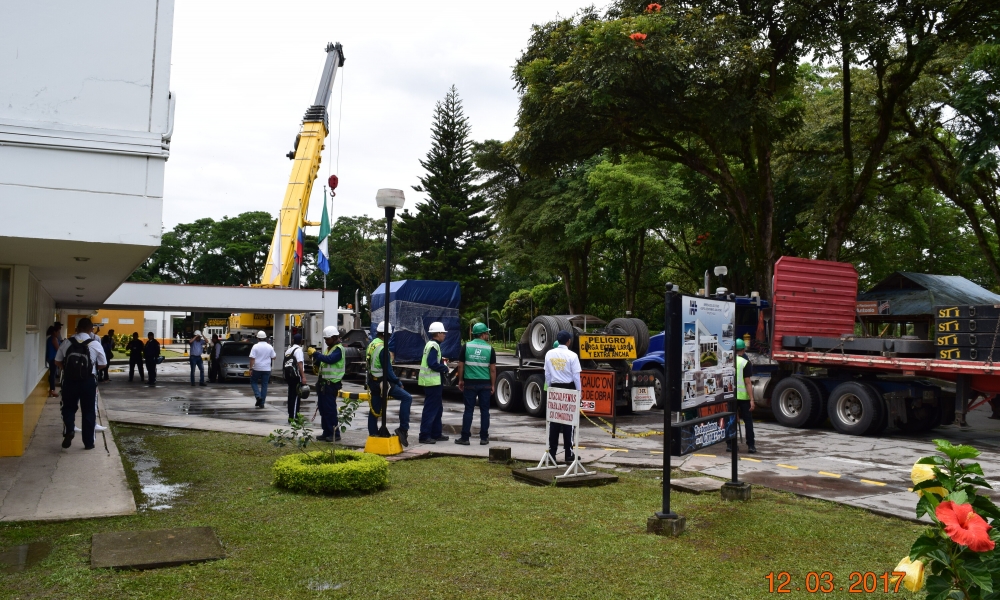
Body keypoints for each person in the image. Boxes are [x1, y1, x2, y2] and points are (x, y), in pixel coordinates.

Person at [54, 317, 108, 450]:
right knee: (88, 411)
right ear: (91, 329)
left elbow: (57, 361)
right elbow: (103, 364)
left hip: (70, 381)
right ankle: (88, 443)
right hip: (88, 381)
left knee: (68, 407)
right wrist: (91, 368)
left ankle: (70, 429)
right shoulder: (94, 344)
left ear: (77, 329)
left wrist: (68, 370)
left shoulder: (67, 342)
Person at [366, 322, 413, 446]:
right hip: (382, 383)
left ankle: (373, 434)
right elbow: (388, 371)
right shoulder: (383, 349)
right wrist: (398, 382)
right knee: (407, 398)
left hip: (373, 381)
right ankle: (403, 429)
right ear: (388, 335)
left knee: (374, 410)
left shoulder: (372, 344)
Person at [544, 330, 582, 463]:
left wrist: (550, 389)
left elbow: (547, 374)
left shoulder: (549, 354)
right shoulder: (572, 355)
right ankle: (568, 454)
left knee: (554, 421)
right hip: (569, 388)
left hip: (554, 388)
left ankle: (552, 453)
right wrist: (579, 393)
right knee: (569, 423)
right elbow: (576, 376)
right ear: (568, 341)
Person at [455, 322, 496, 446]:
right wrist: (493, 385)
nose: (488, 335)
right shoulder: (490, 349)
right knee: (485, 411)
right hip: (485, 384)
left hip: (470, 383)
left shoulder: (466, 346)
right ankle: (484, 438)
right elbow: (493, 369)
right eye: (486, 333)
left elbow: (460, 365)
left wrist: (460, 380)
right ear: (482, 334)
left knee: (468, 410)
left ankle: (465, 438)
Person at [418, 322, 450, 444]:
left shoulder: (432, 344)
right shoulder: (434, 346)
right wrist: (444, 368)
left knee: (437, 408)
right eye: (443, 333)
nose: (445, 335)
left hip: (432, 382)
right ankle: (424, 435)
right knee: (430, 409)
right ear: (438, 333)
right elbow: (432, 363)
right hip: (432, 383)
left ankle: (436, 433)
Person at [312, 326, 345, 442]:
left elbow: (330, 359)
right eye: (325, 339)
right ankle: (326, 431)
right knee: (323, 408)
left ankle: (335, 434)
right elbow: (325, 361)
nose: (326, 341)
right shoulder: (329, 348)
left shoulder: (338, 349)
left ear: (335, 338)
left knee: (330, 410)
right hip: (323, 384)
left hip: (331, 384)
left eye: (328, 339)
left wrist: (316, 354)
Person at [727, 338, 757, 454]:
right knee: (748, 421)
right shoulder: (745, 363)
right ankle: (751, 446)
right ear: (743, 350)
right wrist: (752, 399)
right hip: (743, 397)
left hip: (731, 396)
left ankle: (730, 444)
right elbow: (748, 382)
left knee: (731, 420)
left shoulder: (729, 361)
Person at [283, 333, 307, 422]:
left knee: (291, 396)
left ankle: (290, 415)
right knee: (297, 397)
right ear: (301, 341)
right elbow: (300, 364)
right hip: (296, 376)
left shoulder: (288, 350)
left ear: (293, 341)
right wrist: (303, 377)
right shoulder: (298, 350)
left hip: (289, 376)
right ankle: (294, 417)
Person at [249, 330, 276, 408]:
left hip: (257, 368)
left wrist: (251, 369)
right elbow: (274, 357)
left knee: (253, 382)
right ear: (265, 338)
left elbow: (252, 358)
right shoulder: (269, 346)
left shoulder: (255, 346)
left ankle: (258, 396)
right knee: (264, 385)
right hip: (267, 369)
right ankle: (262, 403)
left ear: (257, 338)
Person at [46, 324, 62, 397]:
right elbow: (58, 349)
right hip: (53, 358)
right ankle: (52, 390)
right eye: (58, 332)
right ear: (54, 332)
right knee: (53, 374)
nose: (59, 334)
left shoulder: (50, 338)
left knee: (53, 374)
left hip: (51, 358)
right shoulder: (54, 339)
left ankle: (52, 389)